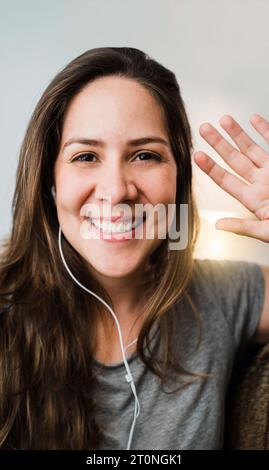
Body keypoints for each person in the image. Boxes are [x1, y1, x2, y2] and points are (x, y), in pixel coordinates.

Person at [0, 47, 268, 450]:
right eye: (86, 156)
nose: (116, 190)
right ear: (49, 183)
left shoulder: (222, 292)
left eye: (145, 155)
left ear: (178, 178)